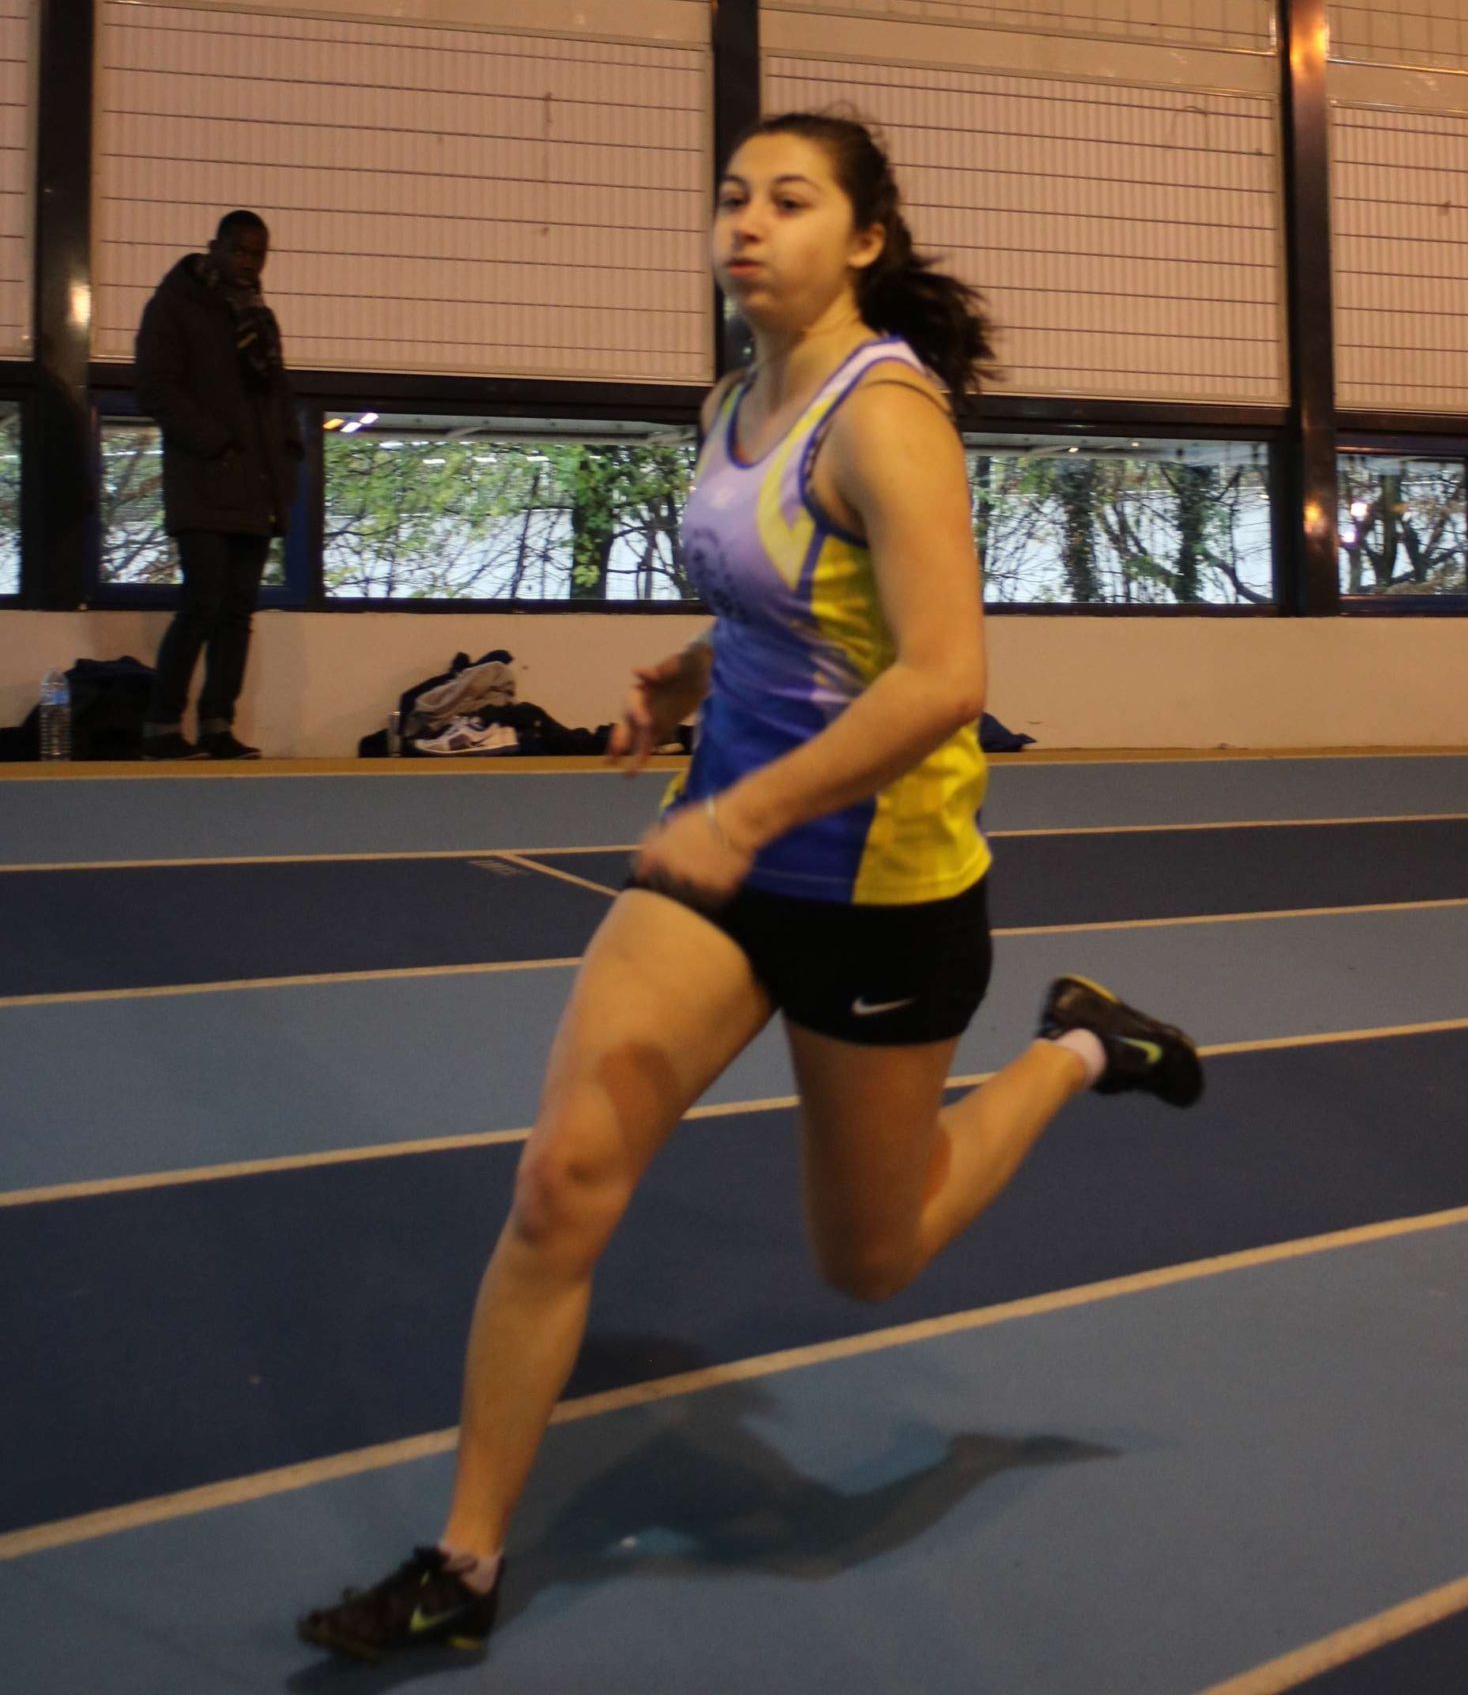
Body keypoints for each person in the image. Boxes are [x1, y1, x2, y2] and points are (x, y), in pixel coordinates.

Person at [300, 111, 1202, 1662]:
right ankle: (462, 1564)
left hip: (876, 884)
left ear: (864, 240)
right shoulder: (731, 402)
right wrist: (688, 669)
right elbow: (795, 603)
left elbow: (943, 676)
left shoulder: (886, 417)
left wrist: (751, 815)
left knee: (871, 1257)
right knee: (559, 1181)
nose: (746, 223)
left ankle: (1077, 1048)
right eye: (731, 196)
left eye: (789, 200)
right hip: (718, 853)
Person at [134, 209, 302, 761]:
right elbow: (154, 388)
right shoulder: (173, 306)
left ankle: (216, 725)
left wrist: (288, 456)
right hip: (203, 484)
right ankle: (161, 725)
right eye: (239, 250)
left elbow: (276, 397)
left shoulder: (261, 317)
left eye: (258, 254)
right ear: (214, 247)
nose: (249, 263)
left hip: (255, 488)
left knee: (237, 612)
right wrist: (216, 443)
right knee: (202, 603)